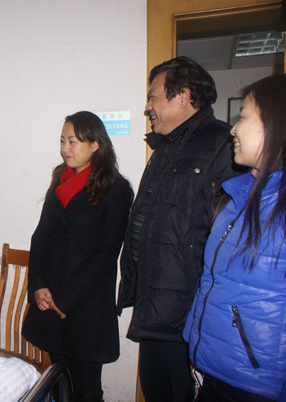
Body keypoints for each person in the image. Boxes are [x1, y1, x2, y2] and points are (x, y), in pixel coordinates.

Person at [116, 56, 241, 402]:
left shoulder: (221, 145)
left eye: (153, 97)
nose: (147, 107)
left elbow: (231, 240)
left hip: (189, 314)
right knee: (156, 390)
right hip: (156, 305)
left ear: (183, 96)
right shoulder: (165, 148)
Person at [183, 74, 286, 402]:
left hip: (255, 382)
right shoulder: (238, 195)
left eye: (243, 117)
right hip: (214, 366)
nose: (233, 130)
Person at [22, 111, 133, 402]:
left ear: (95, 144)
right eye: (62, 141)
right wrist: (37, 285)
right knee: (58, 385)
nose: (65, 148)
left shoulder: (116, 189)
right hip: (50, 299)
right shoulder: (61, 180)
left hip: (85, 306)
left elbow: (106, 254)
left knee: (86, 389)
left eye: (73, 141)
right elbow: (40, 237)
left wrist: (65, 299)